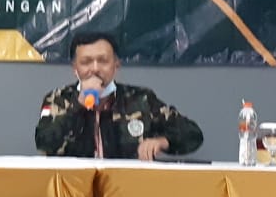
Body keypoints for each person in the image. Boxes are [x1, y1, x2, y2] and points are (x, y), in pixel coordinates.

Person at [35, 31, 202, 161]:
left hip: (127, 187)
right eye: (86, 62)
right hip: (74, 187)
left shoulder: (141, 99)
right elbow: (44, 142)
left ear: (116, 65)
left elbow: (192, 134)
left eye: (103, 61)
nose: (95, 68)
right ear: (75, 69)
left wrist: (161, 142)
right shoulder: (58, 99)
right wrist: (78, 105)